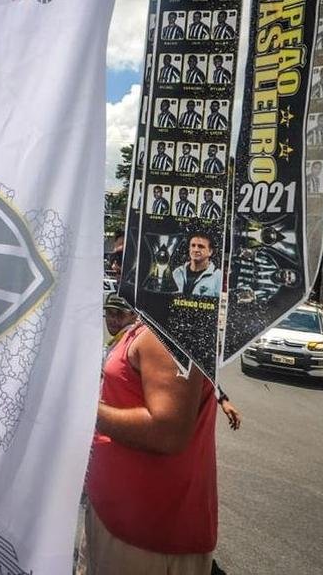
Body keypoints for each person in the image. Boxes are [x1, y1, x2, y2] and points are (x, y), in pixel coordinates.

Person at [85, 319, 218, 573]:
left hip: (141, 537)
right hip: (124, 518)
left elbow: (167, 432)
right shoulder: (151, 322)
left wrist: (86, 409)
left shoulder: (168, 330)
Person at [171, 232, 221, 297]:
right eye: (193, 245)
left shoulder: (218, 277)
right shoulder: (177, 272)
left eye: (201, 246)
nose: (196, 249)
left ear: (210, 251)